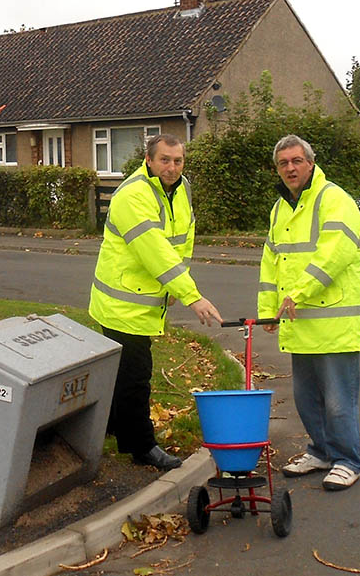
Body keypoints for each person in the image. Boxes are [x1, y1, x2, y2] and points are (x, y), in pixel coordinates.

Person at [89, 133, 223, 471]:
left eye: (178, 161)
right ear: (148, 160)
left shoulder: (181, 189)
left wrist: (174, 289)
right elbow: (156, 251)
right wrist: (193, 296)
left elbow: (183, 239)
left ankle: (110, 427)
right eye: (165, 160)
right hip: (123, 302)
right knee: (136, 376)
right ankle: (141, 447)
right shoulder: (134, 195)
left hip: (144, 299)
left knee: (122, 372)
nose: (172, 167)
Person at [258, 134, 360, 491]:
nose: (290, 168)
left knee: (338, 400)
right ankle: (320, 451)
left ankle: (347, 460)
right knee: (307, 399)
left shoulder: (335, 199)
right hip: (299, 320)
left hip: (333, 320)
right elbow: (271, 261)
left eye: (296, 161)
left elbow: (334, 254)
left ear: (311, 162)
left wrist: (298, 294)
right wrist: (267, 311)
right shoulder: (280, 208)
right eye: (283, 163)